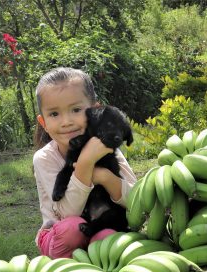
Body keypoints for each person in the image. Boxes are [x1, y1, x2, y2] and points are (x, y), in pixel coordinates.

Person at [32, 67, 137, 259]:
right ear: (43, 122)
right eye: (54, 114)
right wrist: (86, 162)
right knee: (72, 229)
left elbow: (136, 200)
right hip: (60, 235)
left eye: (76, 110)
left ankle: (100, 271)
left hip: (100, 227)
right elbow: (67, 213)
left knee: (108, 237)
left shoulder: (105, 146)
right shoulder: (45, 158)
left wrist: (103, 176)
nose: (66, 121)